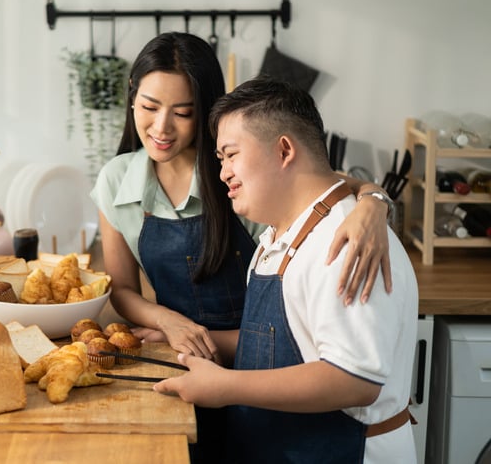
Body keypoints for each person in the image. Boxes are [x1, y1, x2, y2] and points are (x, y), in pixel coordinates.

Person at [89, 32, 394, 463]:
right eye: (150, 107)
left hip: (264, 363)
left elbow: (322, 183)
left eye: (183, 112)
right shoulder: (116, 181)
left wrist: (375, 202)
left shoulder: (239, 172)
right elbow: (121, 290)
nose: (161, 128)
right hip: (181, 356)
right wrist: (172, 324)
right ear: (132, 99)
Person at [154, 78, 418, 463]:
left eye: (230, 155)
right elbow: (282, 343)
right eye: (220, 159)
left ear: (284, 150)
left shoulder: (345, 242)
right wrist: (185, 336)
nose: (223, 172)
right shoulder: (284, 233)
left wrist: (226, 386)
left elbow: (354, 380)